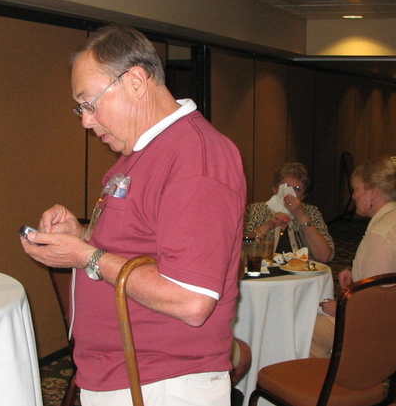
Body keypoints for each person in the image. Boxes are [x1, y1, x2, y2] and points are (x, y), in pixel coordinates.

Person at [20, 24, 247, 406]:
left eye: (89, 103)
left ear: (137, 82)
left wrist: (87, 256)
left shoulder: (196, 158)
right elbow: (143, 243)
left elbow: (191, 301)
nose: (85, 121)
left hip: (162, 384)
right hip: (122, 375)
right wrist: (85, 236)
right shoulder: (141, 152)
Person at [311, 155, 396, 359]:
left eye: (356, 190)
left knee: (310, 328)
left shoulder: (381, 235)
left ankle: (325, 388)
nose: (353, 197)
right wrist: (357, 276)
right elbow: (389, 280)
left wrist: (341, 308)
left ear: (373, 192)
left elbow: (369, 307)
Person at [244, 162, 334, 263]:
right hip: (264, 274)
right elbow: (242, 253)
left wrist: (302, 216)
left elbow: (324, 256)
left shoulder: (312, 213)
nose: (290, 193)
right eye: (285, 186)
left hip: (301, 275)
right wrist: (267, 226)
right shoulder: (254, 211)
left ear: (304, 195)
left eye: (297, 189)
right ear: (275, 188)